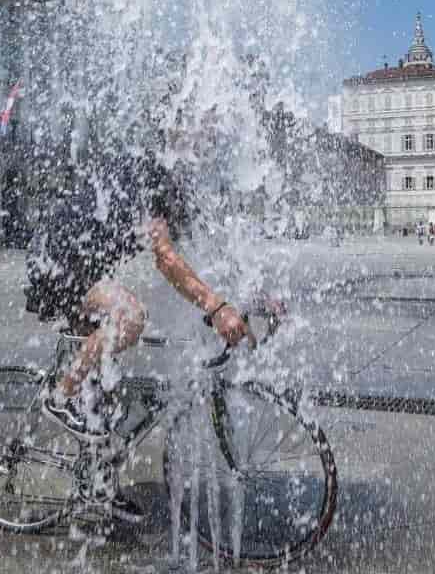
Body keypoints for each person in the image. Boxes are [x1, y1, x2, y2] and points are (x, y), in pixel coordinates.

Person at [24, 153, 265, 522]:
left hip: (80, 265)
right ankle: (60, 396)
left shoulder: (175, 188)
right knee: (130, 317)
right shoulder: (153, 178)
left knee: (108, 387)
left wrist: (253, 297)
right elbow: (167, 260)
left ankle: (100, 486)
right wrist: (216, 308)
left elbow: (210, 253)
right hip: (57, 264)